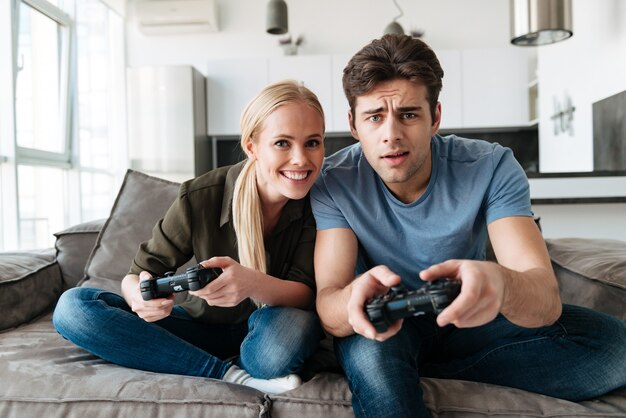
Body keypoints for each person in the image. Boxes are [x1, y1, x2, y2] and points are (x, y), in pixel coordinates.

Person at [310, 34, 626, 417]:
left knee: (615, 349)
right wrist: (352, 298)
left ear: (435, 118)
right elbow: (329, 303)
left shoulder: (491, 166)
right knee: (375, 363)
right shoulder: (333, 180)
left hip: (472, 317)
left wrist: (500, 282)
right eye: (374, 116)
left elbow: (544, 299)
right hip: (387, 322)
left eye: (409, 114)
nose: (391, 133)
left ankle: (423, 376)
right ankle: (400, 375)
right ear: (354, 125)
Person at [53, 79, 326, 394]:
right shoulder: (201, 196)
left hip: (271, 331)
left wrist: (251, 283)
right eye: (282, 143)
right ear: (252, 147)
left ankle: (197, 362)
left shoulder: (322, 202)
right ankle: (230, 375)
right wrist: (140, 300)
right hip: (200, 327)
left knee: (294, 331)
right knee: (74, 309)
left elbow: (307, 294)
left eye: (312, 142)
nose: (301, 160)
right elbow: (135, 277)